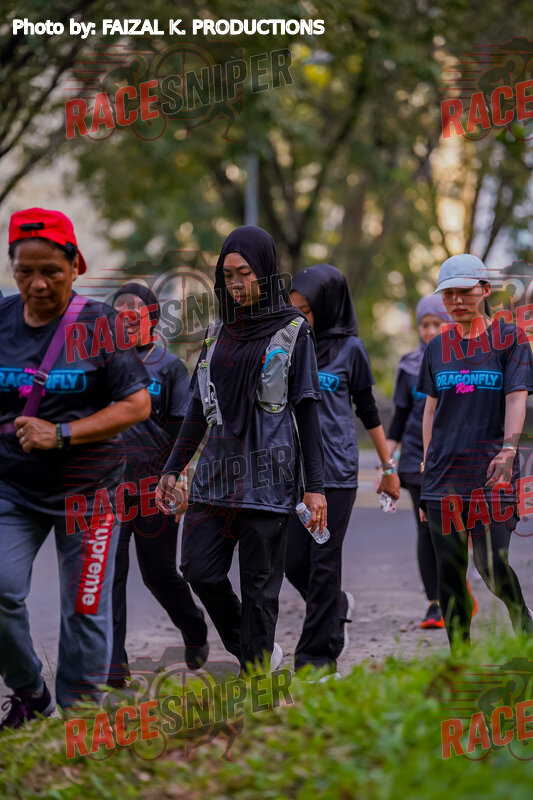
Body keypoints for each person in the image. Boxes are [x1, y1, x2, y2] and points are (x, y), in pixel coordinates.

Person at [0, 209, 151, 730]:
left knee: (85, 607)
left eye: (51, 272)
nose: (38, 284)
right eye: (25, 272)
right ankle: (30, 693)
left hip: (90, 491)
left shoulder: (101, 325)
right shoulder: (2, 319)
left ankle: (81, 717)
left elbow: (136, 404)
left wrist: (62, 433)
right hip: (13, 487)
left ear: (75, 266)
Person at [156, 225, 327, 672]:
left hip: (269, 479)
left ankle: (257, 682)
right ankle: (257, 654)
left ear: (265, 273)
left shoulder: (294, 331)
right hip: (215, 476)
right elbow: (199, 407)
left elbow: (308, 412)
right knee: (198, 570)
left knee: (259, 591)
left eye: (245, 274)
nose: (236, 284)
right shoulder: (217, 332)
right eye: (228, 275)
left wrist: (315, 487)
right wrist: (173, 468)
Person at [287, 263, 400, 676]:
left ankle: (317, 660)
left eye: (306, 310)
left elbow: (368, 410)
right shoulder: (288, 345)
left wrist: (388, 466)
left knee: (323, 563)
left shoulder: (352, 350)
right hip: (293, 473)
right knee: (292, 562)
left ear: (329, 306)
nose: (299, 318)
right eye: (293, 309)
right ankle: (336, 607)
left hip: (335, 472)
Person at [417, 254, 533, 647]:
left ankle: (523, 623)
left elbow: (516, 398)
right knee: (449, 572)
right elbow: (430, 409)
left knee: (492, 566)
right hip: (442, 478)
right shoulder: (437, 347)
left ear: (484, 290)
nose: (456, 301)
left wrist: (509, 450)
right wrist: (426, 463)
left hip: (491, 475)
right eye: (448, 294)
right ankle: (459, 657)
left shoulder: (510, 340)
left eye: (464, 292)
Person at [108, 283, 209, 686]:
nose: (126, 321)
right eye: (119, 315)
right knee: (110, 576)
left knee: (159, 574)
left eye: (135, 314)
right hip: (109, 490)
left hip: (154, 487)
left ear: (151, 317)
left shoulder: (168, 367)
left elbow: (182, 428)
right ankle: (114, 667)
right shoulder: (104, 365)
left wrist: (176, 478)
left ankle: (194, 626)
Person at [386, 294, 465, 629]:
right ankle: (435, 603)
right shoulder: (408, 366)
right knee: (425, 529)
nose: (430, 331)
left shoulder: (464, 360)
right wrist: (386, 462)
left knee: (453, 529)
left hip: (456, 457)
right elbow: (399, 417)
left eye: (437, 323)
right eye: (424, 324)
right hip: (416, 460)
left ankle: (456, 590)